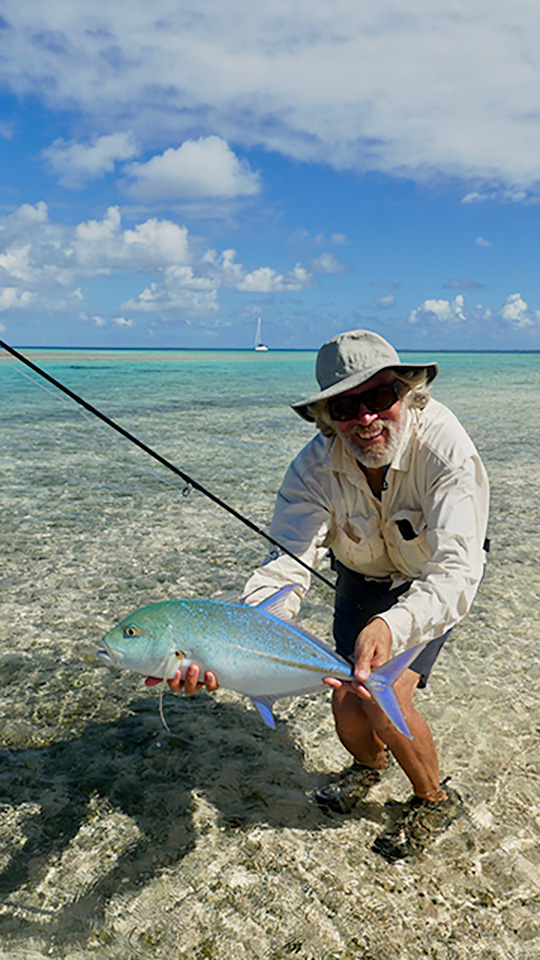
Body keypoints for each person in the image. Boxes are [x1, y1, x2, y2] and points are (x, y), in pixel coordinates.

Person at [156, 328, 489, 857]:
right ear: (325, 417)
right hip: (360, 579)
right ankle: (368, 767)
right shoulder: (310, 471)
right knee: (345, 699)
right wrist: (234, 642)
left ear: (406, 394)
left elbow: (456, 571)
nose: (365, 419)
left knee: (385, 702)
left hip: (431, 586)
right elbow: (285, 566)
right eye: (344, 406)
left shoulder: (446, 450)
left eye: (379, 397)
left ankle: (433, 798)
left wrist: (392, 625)